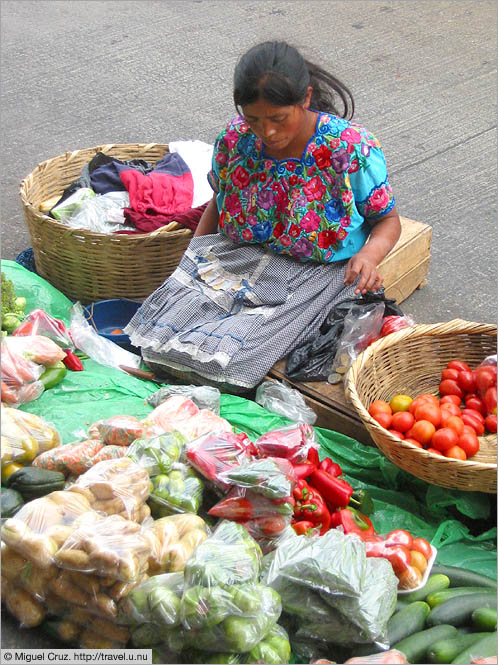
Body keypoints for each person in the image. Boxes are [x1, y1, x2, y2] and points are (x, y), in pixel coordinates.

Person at [125, 40, 401, 393]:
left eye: (278, 118)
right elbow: (218, 202)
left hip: (312, 272)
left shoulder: (347, 148)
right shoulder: (235, 138)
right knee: (155, 342)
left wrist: (369, 255)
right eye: (253, 119)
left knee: (236, 360)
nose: (266, 131)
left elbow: (388, 220)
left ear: (304, 99)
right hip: (237, 256)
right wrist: (190, 262)